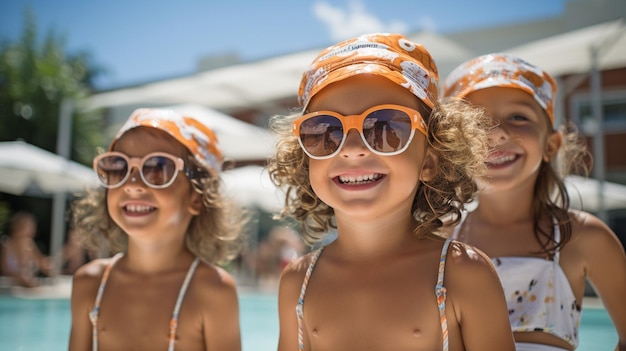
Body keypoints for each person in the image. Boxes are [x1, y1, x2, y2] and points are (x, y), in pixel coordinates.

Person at [267, 33, 516, 351]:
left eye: (384, 127)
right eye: (326, 131)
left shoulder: (462, 273)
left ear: (429, 159)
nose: (352, 149)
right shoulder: (298, 282)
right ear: (305, 158)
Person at [442, 53, 626, 351]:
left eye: (518, 117)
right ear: (454, 149)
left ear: (551, 145)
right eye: (478, 121)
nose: (497, 132)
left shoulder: (585, 237)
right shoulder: (438, 239)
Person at [68, 108, 246, 351]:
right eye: (118, 167)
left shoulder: (213, 291)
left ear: (197, 196)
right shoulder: (89, 284)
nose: (132, 185)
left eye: (158, 168)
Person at [0, 211, 51, 287]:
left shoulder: (29, 244)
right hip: (9, 286)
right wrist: (20, 278)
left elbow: (43, 265)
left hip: (27, 285)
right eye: (29, 227)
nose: (32, 231)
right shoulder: (6, 245)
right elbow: (5, 270)